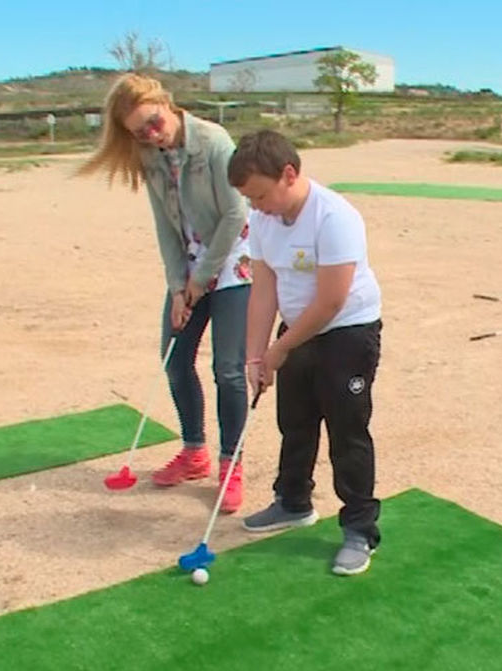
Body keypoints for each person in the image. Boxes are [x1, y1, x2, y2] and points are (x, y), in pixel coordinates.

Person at [79, 73, 252, 513]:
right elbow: (165, 226)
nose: (152, 135)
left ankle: (231, 464)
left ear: (166, 103)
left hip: (235, 262)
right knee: (175, 359)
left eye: (154, 122)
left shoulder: (213, 141)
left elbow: (235, 215)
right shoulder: (150, 157)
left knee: (229, 369)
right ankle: (195, 453)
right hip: (191, 266)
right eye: (140, 132)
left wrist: (201, 279)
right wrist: (179, 287)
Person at [227, 130, 383, 576]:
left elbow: (331, 301)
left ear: (289, 174)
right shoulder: (262, 220)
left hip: (347, 330)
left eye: (260, 195)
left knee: (347, 430)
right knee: (294, 422)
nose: (256, 206)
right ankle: (293, 502)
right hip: (296, 330)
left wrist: (279, 349)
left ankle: (359, 529)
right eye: (249, 199)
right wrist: (255, 357)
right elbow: (263, 290)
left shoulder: (335, 217)